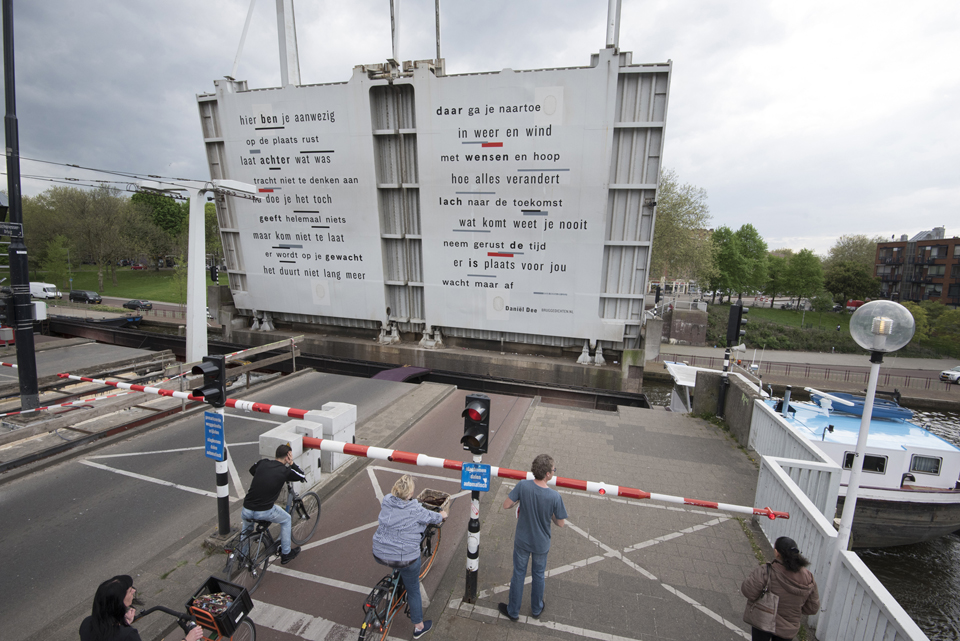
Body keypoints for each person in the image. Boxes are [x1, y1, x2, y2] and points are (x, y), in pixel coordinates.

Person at [371, 474, 446, 639]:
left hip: (379, 552)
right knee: (413, 589)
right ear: (410, 494)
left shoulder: (387, 500)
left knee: (396, 561)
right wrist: (442, 515)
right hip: (406, 557)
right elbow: (432, 517)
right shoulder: (415, 509)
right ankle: (419, 627)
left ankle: (395, 579)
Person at [498, 454, 567, 621]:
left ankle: (513, 610)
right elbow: (560, 523)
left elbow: (506, 504)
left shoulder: (523, 486)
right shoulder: (554, 497)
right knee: (538, 575)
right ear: (548, 474)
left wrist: (518, 501)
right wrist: (550, 514)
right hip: (541, 544)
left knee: (518, 574)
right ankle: (536, 608)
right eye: (553, 470)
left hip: (522, 540)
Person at [740, 536, 820, 641]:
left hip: (763, 622)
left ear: (777, 553)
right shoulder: (808, 577)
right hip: (788, 629)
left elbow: (749, 591)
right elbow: (812, 608)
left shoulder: (767, 571)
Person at [79, 575, 203, 641]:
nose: (133, 591)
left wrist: (122, 623)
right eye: (129, 591)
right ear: (119, 603)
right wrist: (188, 639)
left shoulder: (87, 624)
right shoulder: (128, 636)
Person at [242, 443, 307, 564]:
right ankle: (286, 553)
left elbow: (252, 470)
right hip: (264, 511)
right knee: (286, 519)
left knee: (246, 530)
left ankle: (242, 556)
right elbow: (301, 475)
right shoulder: (285, 471)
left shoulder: (263, 463)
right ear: (287, 456)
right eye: (290, 456)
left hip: (247, 508)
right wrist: (291, 463)